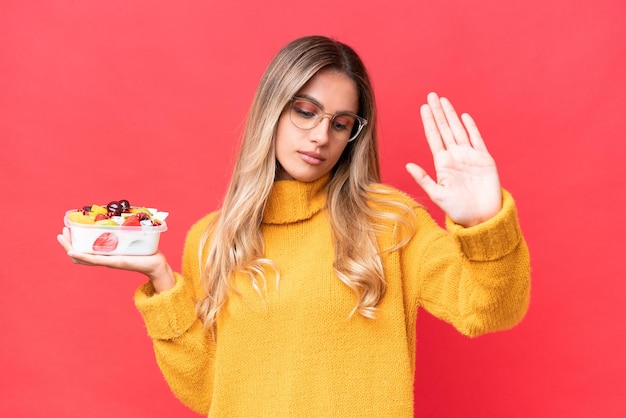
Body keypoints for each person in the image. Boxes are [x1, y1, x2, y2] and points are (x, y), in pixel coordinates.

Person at [58, 35, 530, 417]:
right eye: (305, 111)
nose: (321, 135)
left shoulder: (390, 220)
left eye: (341, 123)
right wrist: (162, 282)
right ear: (272, 108)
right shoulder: (212, 239)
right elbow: (210, 393)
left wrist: (484, 224)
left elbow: (489, 310)